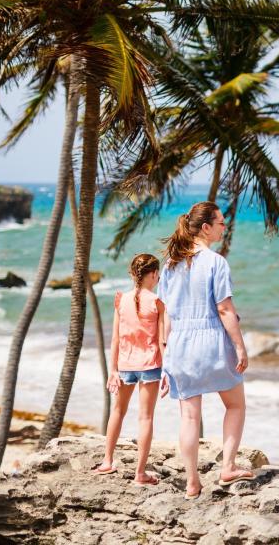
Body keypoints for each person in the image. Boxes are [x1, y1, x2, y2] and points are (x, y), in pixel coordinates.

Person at [159, 201, 251, 500]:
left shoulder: (170, 265)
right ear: (206, 228)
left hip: (179, 346)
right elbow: (224, 309)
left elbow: (166, 316)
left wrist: (165, 360)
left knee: (188, 418)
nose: (225, 227)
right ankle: (228, 466)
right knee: (235, 405)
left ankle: (192, 482)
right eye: (221, 223)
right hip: (211, 342)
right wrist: (239, 346)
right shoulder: (216, 262)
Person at [92, 253, 166, 485]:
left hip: (124, 365)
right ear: (152, 274)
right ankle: (140, 473)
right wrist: (167, 372)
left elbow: (115, 339)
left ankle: (107, 461)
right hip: (150, 365)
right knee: (145, 417)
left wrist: (113, 369)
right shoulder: (157, 302)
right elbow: (162, 341)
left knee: (118, 411)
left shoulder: (120, 299)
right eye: (158, 274)